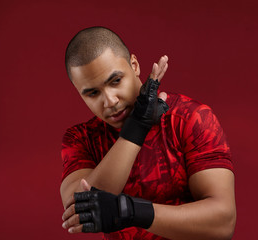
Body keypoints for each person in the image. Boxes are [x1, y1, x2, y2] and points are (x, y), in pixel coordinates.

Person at [60, 26, 236, 240]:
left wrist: (131, 211)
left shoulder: (190, 119)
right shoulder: (81, 139)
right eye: (93, 93)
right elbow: (80, 210)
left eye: (116, 81)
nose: (110, 101)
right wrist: (137, 127)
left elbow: (223, 222)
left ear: (134, 65)